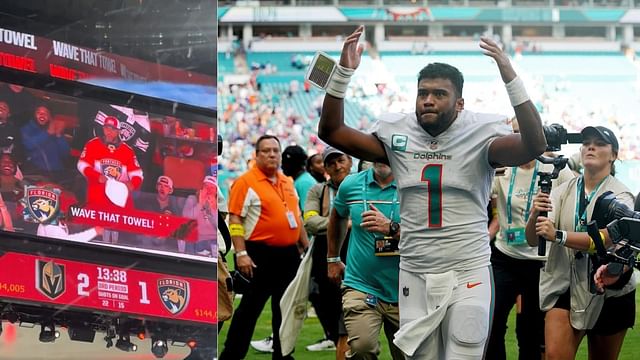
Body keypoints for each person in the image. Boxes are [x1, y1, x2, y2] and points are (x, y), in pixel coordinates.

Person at [318, 25, 546, 358]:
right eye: (423, 92)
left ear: (460, 102)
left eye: (439, 94)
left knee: (463, 353)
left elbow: (534, 144)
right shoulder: (399, 133)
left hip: (467, 267)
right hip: (415, 269)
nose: (428, 100)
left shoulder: (480, 133)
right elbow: (332, 130)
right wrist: (342, 75)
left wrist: (510, 77)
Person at [526, 126, 636, 360]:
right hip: (565, 282)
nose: (591, 147)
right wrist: (535, 215)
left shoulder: (621, 196)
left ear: (614, 155)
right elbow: (532, 239)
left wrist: (558, 235)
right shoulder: (561, 189)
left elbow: (606, 241)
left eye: (599, 143)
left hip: (610, 289)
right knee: (555, 357)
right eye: (586, 143)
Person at [486, 118, 574, 360]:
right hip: (505, 257)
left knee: (531, 332)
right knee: (490, 325)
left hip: (540, 261)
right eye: (514, 133)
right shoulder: (499, 168)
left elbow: (573, 205)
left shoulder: (557, 168)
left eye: (525, 133)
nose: (519, 140)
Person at [220, 135, 309, 360]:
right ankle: (231, 355)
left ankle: (283, 354)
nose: (272, 154)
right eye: (266, 150)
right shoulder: (245, 182)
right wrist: (241, 254)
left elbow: (296, 218)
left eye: (275, 151)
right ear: (256, 155)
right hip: (258, 255)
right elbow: (236, 219)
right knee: (249, 311)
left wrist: (306, 247)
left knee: (285, 310)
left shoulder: (287, 182)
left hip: (288, 256)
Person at [327, 161, 404, 359]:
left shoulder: (413, 183)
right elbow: (336, 217)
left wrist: (392, 228)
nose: (381, 157)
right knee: (362, 347)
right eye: (375, 151)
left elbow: (429, 235)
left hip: (408, 290)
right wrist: (333, 258)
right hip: (362, 285)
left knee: (408, 354)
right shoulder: (351, 184)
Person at [303, 146, 353, 353]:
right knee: (325, 299)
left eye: (341, 160)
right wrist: (345, 223)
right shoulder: (318, 190)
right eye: (331, 163)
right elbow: (310, 222)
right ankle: (335, 338)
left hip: (355, 249)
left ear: (350, 162)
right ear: (325, 168)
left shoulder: (362, 186)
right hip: (325, 251)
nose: (337, 166)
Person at [77, 116, 143, 209]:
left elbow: (137, 174)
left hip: (120, 197)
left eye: (113, 129)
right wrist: (97, 176)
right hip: (97, 193)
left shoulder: (127, 150)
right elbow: (82, 164)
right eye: (106, 128)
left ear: (119, 131)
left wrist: (133, 184)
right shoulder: (93, 144)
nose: (109, 131)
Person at [21, 103, 70, 179]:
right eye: (38, 112)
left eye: (45, 113)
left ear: (50, 117)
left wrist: (59, 135)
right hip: (36, 173)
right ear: (34, 115)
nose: (42, 115)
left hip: (57, 173)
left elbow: (65, 153)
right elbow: (28, 145)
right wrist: (47, 133)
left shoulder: (53, 128)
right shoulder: (27, 129)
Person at [135, 175, 183, 252]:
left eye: (166, 186)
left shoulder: (175, 207)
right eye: (160, 185)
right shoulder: (147, 202)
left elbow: (180, 228)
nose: (162, 188)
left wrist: (171, 220)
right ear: (157, 187)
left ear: (171, 190)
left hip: (166, 245)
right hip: (147, 242)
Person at [181, 175, 217, 257]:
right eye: (206, 187)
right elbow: (186, 217)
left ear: (216, 191)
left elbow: (218, 226)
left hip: (213, 239)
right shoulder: (192, 199)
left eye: (212, 188)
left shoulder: (218, 203)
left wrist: (212, 209)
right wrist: (200, 204)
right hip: (196, 237)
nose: (208, 190)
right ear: (201, 188)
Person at [282, 145, 318, 211]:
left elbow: (307, 212)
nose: (282, 166)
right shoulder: (300, 180)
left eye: (285, 162)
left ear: (294, 163)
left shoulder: (304, 182)